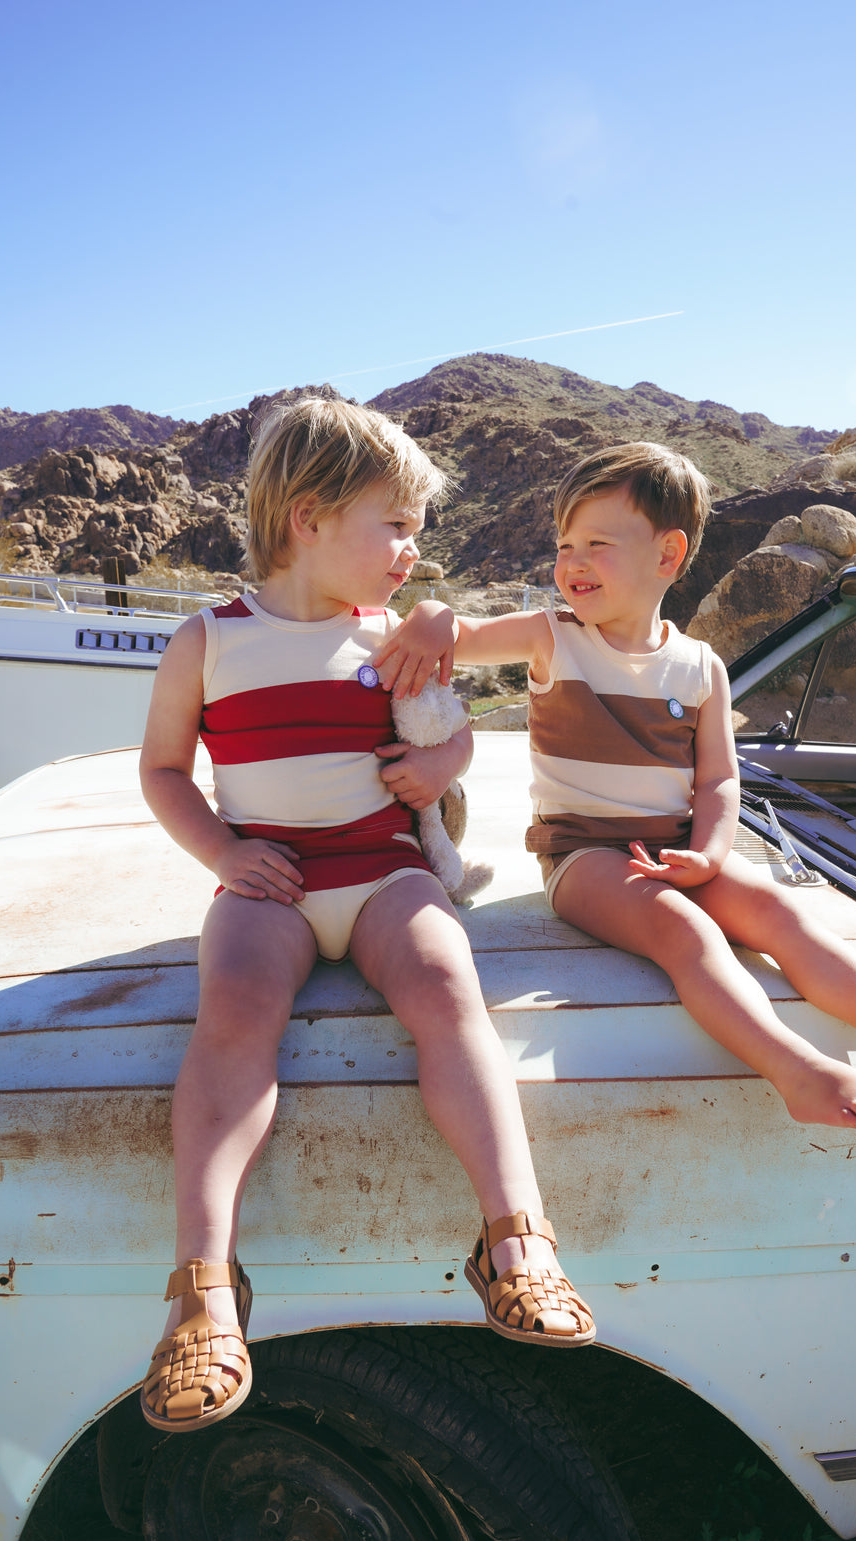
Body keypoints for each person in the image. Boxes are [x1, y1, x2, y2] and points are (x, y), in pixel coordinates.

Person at [138, 397, 595, 1435]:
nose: (412, 550)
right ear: (308, 518)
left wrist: (442, 759)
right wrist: (224, 852)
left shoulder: (388, 639)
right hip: (274, 882)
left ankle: (517, 1238)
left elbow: (459, 733)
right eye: (395, 526)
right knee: (237, 1005)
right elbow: (164, 771)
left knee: (446, 983)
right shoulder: (208, 642)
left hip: (382, 871)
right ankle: (204, 1286)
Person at [377, 440, 856, 1137]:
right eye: (564, 543)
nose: (571, 561)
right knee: (682, 928)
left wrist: (711, 853)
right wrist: (433, 616)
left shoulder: (700, 667)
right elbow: (466, 636)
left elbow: (719, 778)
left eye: (596, 542)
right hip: (584, 858)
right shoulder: (553, 638)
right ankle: (796, 1070)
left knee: (782, 915)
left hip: (674, 846)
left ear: (667, 555)